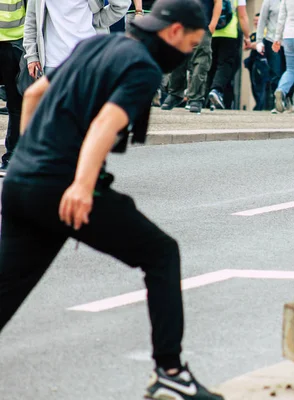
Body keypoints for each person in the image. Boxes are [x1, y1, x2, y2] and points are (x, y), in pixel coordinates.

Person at [0, 1, 223, 399]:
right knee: (161, 253)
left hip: (21, 182)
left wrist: (29, 160)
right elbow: (105, 124)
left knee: (7, 286)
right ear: (173, 33)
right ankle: (171, 372)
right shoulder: (142, 67)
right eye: (191, 44)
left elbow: (33, 94)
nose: (188, 53)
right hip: (62, 188)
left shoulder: (91, 47)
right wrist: (82, 186)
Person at [24, 0, 129, 75]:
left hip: (89, 59)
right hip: (53, 61)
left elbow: (121, 5)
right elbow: (31, 20)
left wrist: (96, 20)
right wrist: (31, 55)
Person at [161, 0, 222, 113]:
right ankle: (175, 93)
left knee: (201, 62)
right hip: (182, 26)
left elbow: (218, 2)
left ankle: (196, 98)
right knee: (177, 59)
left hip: (203, 26)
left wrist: (212, 25)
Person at [207, 0, 251, 109]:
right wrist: (247, 37)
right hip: (229, 35)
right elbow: (242, 16)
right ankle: (216, 90)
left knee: (210, 65)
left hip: (211, 33)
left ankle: (206, 97)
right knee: (225, 64)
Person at [0, 0, 25, 176]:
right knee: (15, 105)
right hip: (14, 45)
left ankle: (13, 156)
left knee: (16, 104)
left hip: (16, 44)